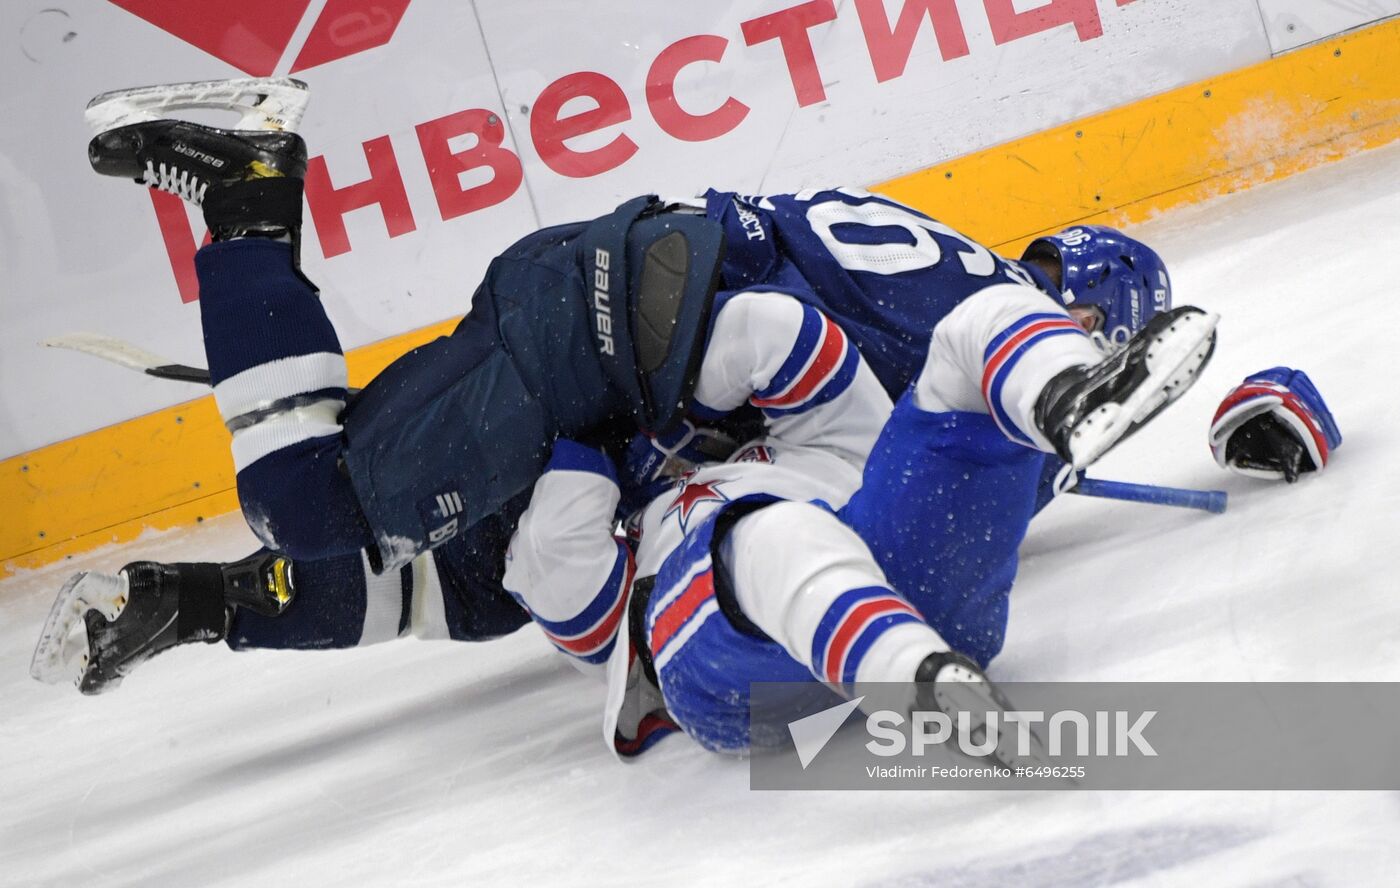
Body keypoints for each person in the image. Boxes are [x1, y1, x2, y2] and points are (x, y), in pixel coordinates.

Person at [33, 76, 1218, 694]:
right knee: (308, 494)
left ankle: (198, 604)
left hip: (630, 338)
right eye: (1084, 332)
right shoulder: (957, 295)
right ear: (1077, 313)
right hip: (626, 318)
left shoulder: (938, 346)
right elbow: (795, 341)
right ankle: (246, 186)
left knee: (486, 572)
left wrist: (216, 602)